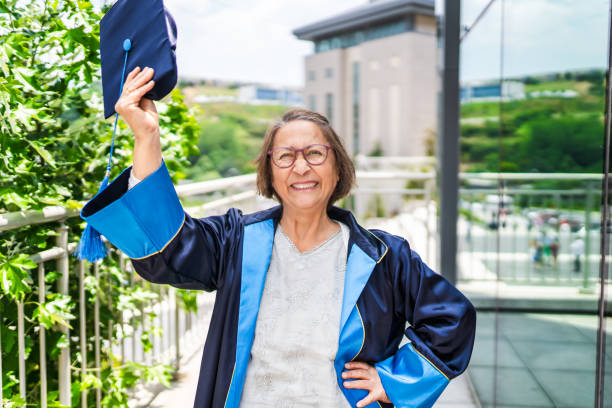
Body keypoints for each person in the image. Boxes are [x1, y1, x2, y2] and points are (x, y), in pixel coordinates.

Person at [81, 67, 476, 408]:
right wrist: (146, 137)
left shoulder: (384, 257)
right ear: (270, 176)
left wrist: (392, 381)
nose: (300, 166)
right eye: (285, 156)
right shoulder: (237, 241)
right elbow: (167, 247)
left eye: (315, 154)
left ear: (338, 169)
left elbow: (453, 319)